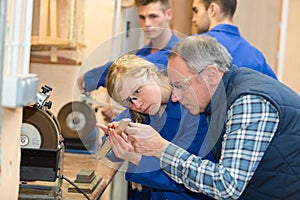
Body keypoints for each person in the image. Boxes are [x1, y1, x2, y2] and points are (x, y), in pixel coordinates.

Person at [123, 35, 300, 199]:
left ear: (211, 75)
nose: (174, 96)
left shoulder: (248, 101)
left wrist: (161, 149)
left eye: (180, 85)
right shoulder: (224, 97)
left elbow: (227, 185)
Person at [100, 54, 216, 199]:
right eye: (128, 101)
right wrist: (115, 137)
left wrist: (136, 158)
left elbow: (190, 179)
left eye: (137, 91)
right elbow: (107, 147)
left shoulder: (194, 109)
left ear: (152, 74)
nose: (137, 105)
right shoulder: (142, 109)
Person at [77, 0, 179, 121]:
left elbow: (137, 66)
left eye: (153, 16)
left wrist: (92, 77)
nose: (147, 23)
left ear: (169, 15)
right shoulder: (141, 53)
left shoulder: (179, 53)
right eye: (142, 17)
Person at [192, 0, 277, 79]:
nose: (193, 19)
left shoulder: (192, 46)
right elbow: (278, 93)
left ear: (212, 9)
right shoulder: (256, 58)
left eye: (196, 11)